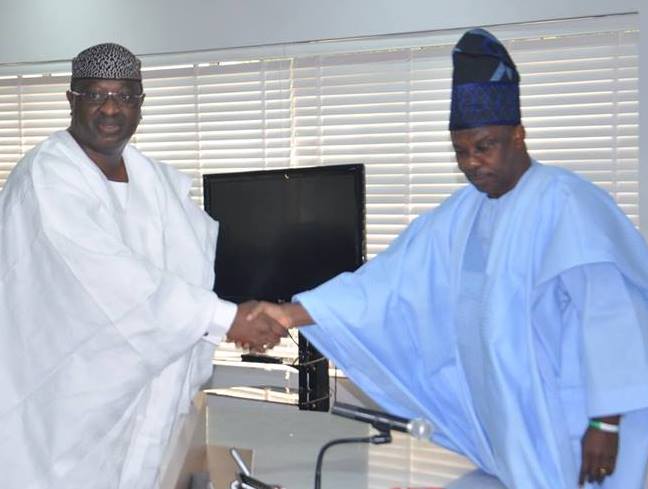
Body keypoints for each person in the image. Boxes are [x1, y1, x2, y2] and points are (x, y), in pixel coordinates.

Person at [248, 29, 648, 488]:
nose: (473, 163)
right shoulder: (463, 213)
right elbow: (389, 284)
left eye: (485, 146)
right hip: (508, 425)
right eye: (461, 152)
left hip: (571, 419)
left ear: (518, 136)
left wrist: (606, 424)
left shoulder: (569, 205)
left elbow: (610, 319)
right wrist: (289, 313)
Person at [0, 43, 284, 489]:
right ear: (72, 99)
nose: (111, 108)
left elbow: (192, 264)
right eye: (96, 94)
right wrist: (227, 318)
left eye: (125, 96)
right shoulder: (47, 177)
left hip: (131, 407)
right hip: (61, 413)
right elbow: (107, 281)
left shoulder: (149, 180)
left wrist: (254, 308)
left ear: (141, 104)